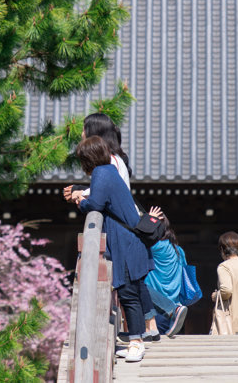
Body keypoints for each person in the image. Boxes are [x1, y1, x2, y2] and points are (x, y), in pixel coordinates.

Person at [74, 136, 153, 363]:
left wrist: (80, 200)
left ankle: (137, 343)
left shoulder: (101, 173)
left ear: (87, 159)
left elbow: (95, 204)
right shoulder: (110, 171)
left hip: (125, 242)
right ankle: (135, 339)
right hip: (132, 239)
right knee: (133, 291)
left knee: (128, 293)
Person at [140, 209, 189, 339]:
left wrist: (148, 220)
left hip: (156, 310)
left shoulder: (153, 247)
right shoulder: (179, 251)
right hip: (177, 311)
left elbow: (139, 235)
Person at [64, 113, 132, 206]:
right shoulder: (113, 158)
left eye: (83, 130)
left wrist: (82, 193)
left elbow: (106, 189)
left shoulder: (110, 160)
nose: (82, 135)